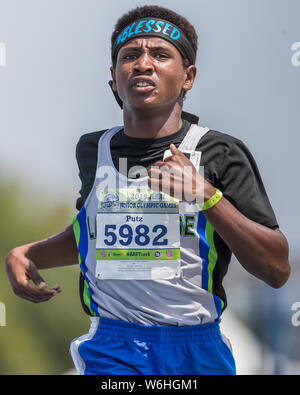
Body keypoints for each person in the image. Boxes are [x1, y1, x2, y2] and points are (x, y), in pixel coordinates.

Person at [5, 5, 290, 375]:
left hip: (196, 347)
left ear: (188, 76)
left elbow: (276, 269)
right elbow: (95, 237)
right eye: (130, 55)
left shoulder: (218, 153)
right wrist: (28, 254)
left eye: (159, 54)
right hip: (113, 347)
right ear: (113, 78)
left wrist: (208, 197)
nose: (143, 64)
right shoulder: (94, 151)